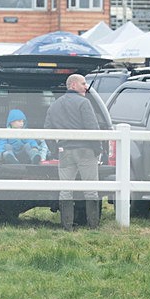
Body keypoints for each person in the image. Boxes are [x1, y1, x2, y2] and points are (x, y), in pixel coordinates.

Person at [44, 74, 102, 231]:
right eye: (83, 83)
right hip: (85, 151)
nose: (86, 86)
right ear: (73, 85)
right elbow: (93, 128)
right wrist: (98, 149)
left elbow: (47, 130)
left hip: (65, 151)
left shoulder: (54, 105)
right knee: (91, 189)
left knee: (65, 190)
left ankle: (67, 226)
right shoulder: (84, 103)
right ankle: (93, 226)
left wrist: (54, 150)